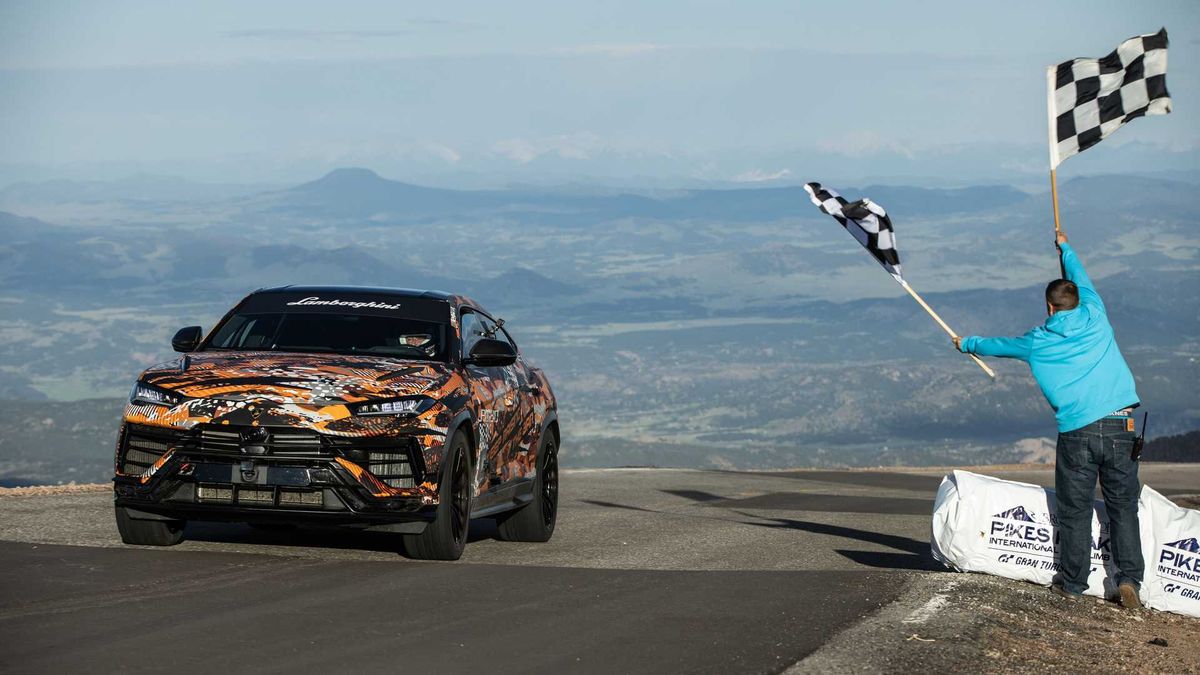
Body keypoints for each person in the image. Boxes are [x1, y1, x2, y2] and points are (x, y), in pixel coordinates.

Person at [953, 230, 1143, 609]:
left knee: (1075, 508)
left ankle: (1073, 583)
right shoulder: (1095, 313)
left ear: (1050, 307)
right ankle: (1130, 579)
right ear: (1076, 300)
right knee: (1123, 506)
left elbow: (998, 345)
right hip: (1121, 426)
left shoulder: (1038, 341)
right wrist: (1066, 247)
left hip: (1077, 432)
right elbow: (1081, 277)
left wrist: (967, 344)